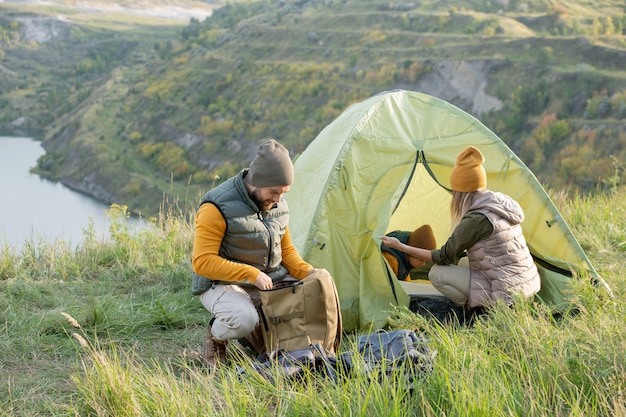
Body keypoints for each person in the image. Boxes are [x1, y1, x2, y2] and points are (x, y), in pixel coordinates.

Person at [191, 139, 317, 367]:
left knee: (308, 305)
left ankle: (257, 331)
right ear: (257, 181)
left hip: (265, 281)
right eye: (275, 191)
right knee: (243, 320)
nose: (279, 199)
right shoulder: (216, 206)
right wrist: (249, 273)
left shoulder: (278, 205)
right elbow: (202, 262)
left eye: (284, 192)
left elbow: (286, 250)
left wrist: (309, 273)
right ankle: (216, 336)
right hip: (220, 282)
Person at [380, 146, 541, 311]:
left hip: (508, 293)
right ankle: (483, 302)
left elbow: (443, 257)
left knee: (436, 273)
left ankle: (480, 309)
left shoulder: (476, 220)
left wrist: (400, 246)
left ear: (460, 191)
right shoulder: (496, 204)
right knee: (465, 260)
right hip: (527, 284)